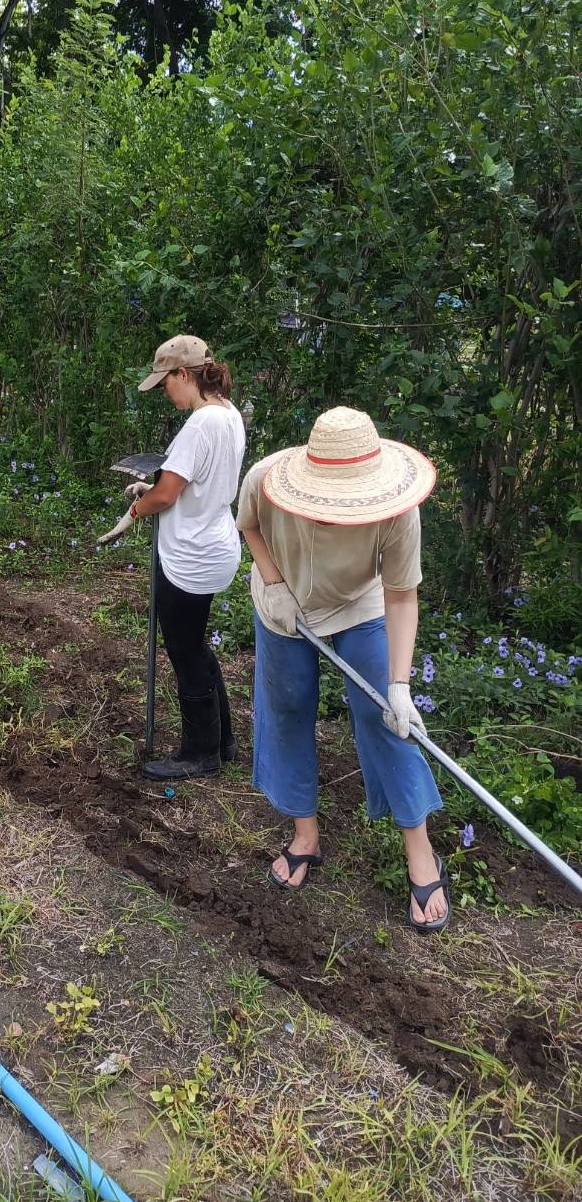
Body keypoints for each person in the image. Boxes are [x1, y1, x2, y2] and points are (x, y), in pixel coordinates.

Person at [235, 406, 450, 933]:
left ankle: (420, 854)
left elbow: (401, 594)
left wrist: (399, 687)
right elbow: (249, 528)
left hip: (361, 607)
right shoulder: (265, 480)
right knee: (287, 709)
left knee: (388, 723)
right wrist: (274, 583)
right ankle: (305, 833)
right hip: (285, 608)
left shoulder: (397, 510)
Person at [98, 335, 246, 781]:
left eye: (166, 381)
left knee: (184, 651)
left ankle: (200, 753)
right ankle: (223, 740)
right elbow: (194, 483)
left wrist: (139, 507)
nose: (165, 391)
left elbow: (168, 491)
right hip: (215, 541)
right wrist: (158, 491)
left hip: (190, 555)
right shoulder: (229, 414)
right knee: (196, 644)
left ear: (185, 374)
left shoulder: (200, 424)